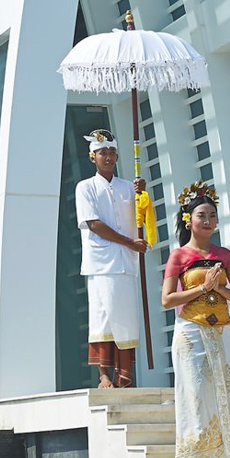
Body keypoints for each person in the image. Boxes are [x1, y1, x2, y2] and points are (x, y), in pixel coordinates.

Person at [162, 182, 230, 458]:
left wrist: (219, 288)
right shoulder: (179, 256)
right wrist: (201, 288)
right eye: (202, 215)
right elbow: (166, 300)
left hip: (222, 330)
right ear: (189, 220)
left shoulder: (223, 255)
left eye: (213, 215)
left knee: (223, 398)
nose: (208, 221)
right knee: (196, 398)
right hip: (191, 332)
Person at [75, 129, 148, 388]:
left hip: (126, 263)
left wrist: (142, 194)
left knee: (126, 318)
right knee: (103, 316)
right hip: (101, 263)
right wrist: (130, 242)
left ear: (117, 156)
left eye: (111, 152)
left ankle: (125, 376)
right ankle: (104, 376)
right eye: (101, 152)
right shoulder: (85, 187)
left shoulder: (128, 186)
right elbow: (94, 224)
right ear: (92, 157)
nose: (107, 156)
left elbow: (142, 214)